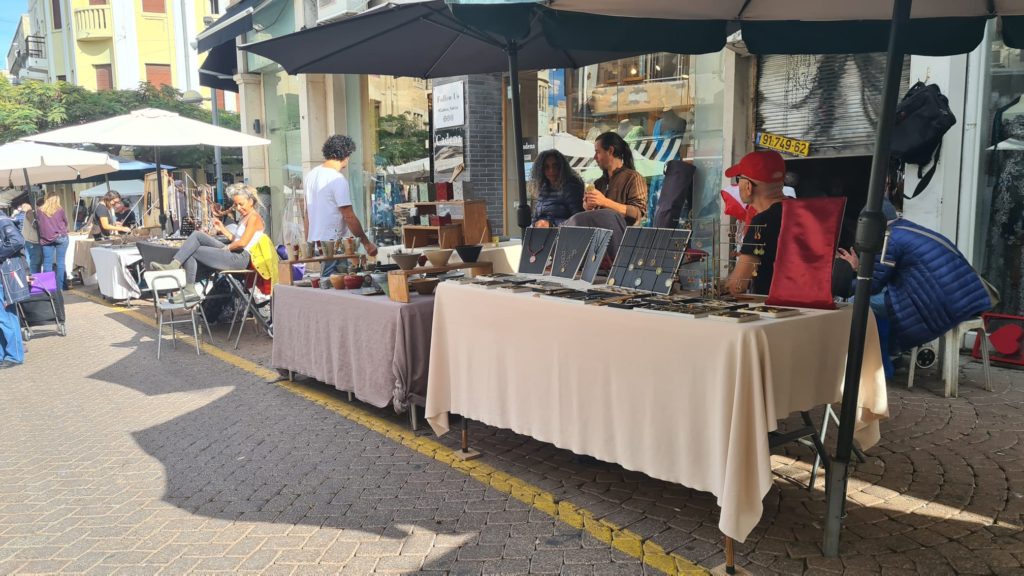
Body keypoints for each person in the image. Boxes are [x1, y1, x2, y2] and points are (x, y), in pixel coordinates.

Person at [836, 214, 994, 354]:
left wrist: (839, 286)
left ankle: (876, 361)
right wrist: (858, 268)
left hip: (943, 303)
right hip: (964, 298)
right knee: (882, 300)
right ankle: (892, 356)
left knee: (856, 302)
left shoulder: (887, 239)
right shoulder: (906, 228)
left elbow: (873, 285)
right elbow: (885, 275)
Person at [150, 184, 268, 303]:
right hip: (236, 251)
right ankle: (175, 265)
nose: (238, 207)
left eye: (240, 204)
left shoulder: (254, 217)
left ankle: (189, 288)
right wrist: (222, 228)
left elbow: (242, 243)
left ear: (251, 202)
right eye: (236, 204)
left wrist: (226, 248)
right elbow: (235, 239)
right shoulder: (246, 217)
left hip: (241, 258)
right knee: (197, 235)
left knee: (194, 251)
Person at [304, 135, 378, 271]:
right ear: (346, 155)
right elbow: (348, 215)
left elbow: (307, 214)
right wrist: (366, 243)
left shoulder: (311, 175)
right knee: (333, 287)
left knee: (328, 286)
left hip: (316, 244)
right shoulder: (336, 179)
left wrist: (308, 243)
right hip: (333, 246)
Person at [722, 150, 788, 296]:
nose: (737, 184)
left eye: (739, 179)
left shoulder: (762, 221)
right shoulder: (800, 211)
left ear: (748, 187)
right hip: (808, 307)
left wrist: (718, 287)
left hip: (774, 309)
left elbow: (737, 286)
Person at [531, 149, 584, 228]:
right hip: (543, 237)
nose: (551, 170)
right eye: (546, 167)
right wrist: (536, 224)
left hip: (564, 237)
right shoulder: (543, 189)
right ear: (541, 170)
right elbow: (535, 218)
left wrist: (552, 225)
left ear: (562, 167)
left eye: (555, 166)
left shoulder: (571, 187)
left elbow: (579, 220)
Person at [0, 211, 25, 366]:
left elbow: (17, 241)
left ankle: (14, 355)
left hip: (3, 276)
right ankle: (3, 354)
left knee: (6, 317)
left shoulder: (2, 220)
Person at [36, 194, 70, 291]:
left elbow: (38, 224)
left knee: (47, 262)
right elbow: (66, 222)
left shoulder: (40, 210)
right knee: (60, 262)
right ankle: (60, 287)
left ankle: (49, 287)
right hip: (60, 237)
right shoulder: (60, 210)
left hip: (46, 239)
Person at [21, 199, 42, 274]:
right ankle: (34, 280)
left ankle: (36, 278)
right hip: (32, 241)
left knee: (37, 261)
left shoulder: (34, 212)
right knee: (35, 262)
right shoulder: (30, 213)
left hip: (34, 240)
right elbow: (35, 225)